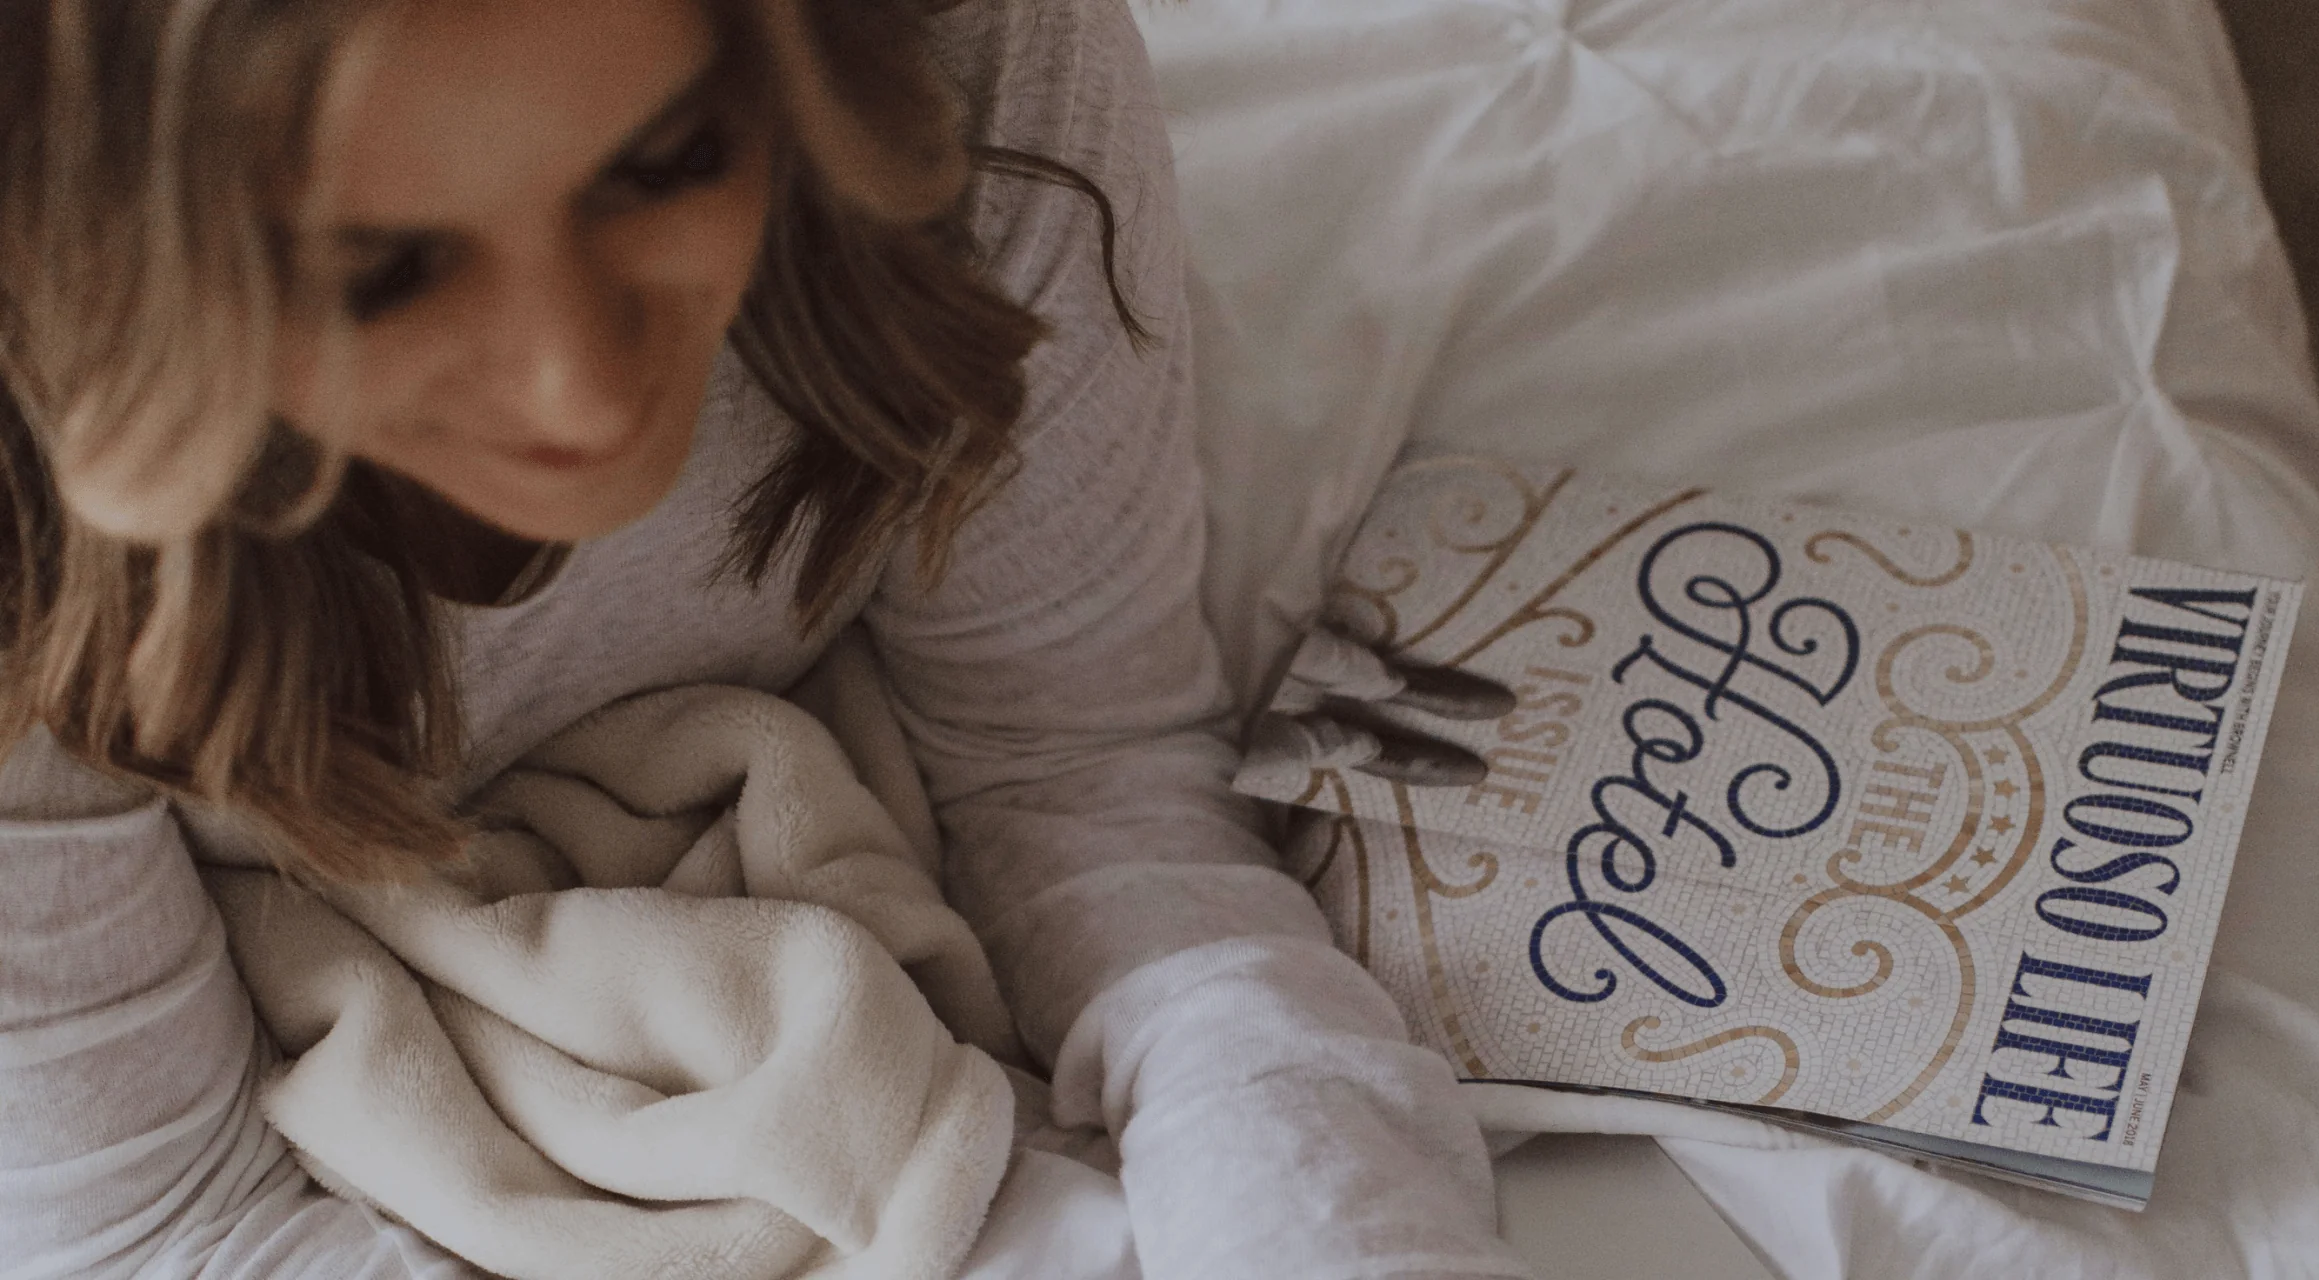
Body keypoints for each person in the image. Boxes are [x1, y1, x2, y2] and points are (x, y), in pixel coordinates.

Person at [0, 0, 1524, 1276]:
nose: (582, 397)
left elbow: (1071, 763)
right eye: (373, 275)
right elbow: (156, 1230)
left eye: (669, 163)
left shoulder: (968, 66)